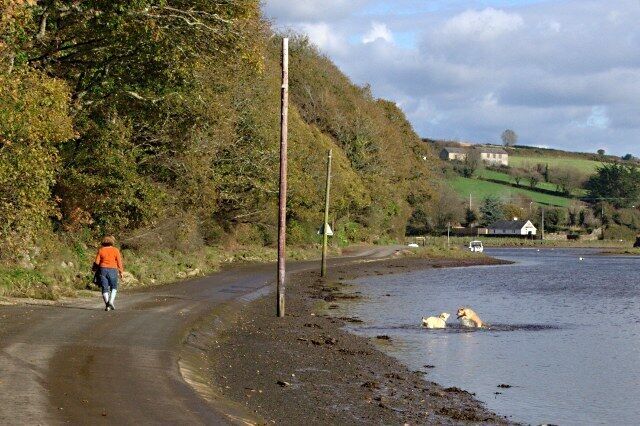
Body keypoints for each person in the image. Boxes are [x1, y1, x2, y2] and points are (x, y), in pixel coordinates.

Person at [93, 235, 124, 311]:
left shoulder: (101, 250)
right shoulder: (116, 250)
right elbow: (119, 262)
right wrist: (121, 272)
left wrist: (94, 269)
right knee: (114, 287)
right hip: (113, 270)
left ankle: (107, 305)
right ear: (112, 242)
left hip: (102, 270)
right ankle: (111, 301)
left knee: (104, 288)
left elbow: (97, 262)